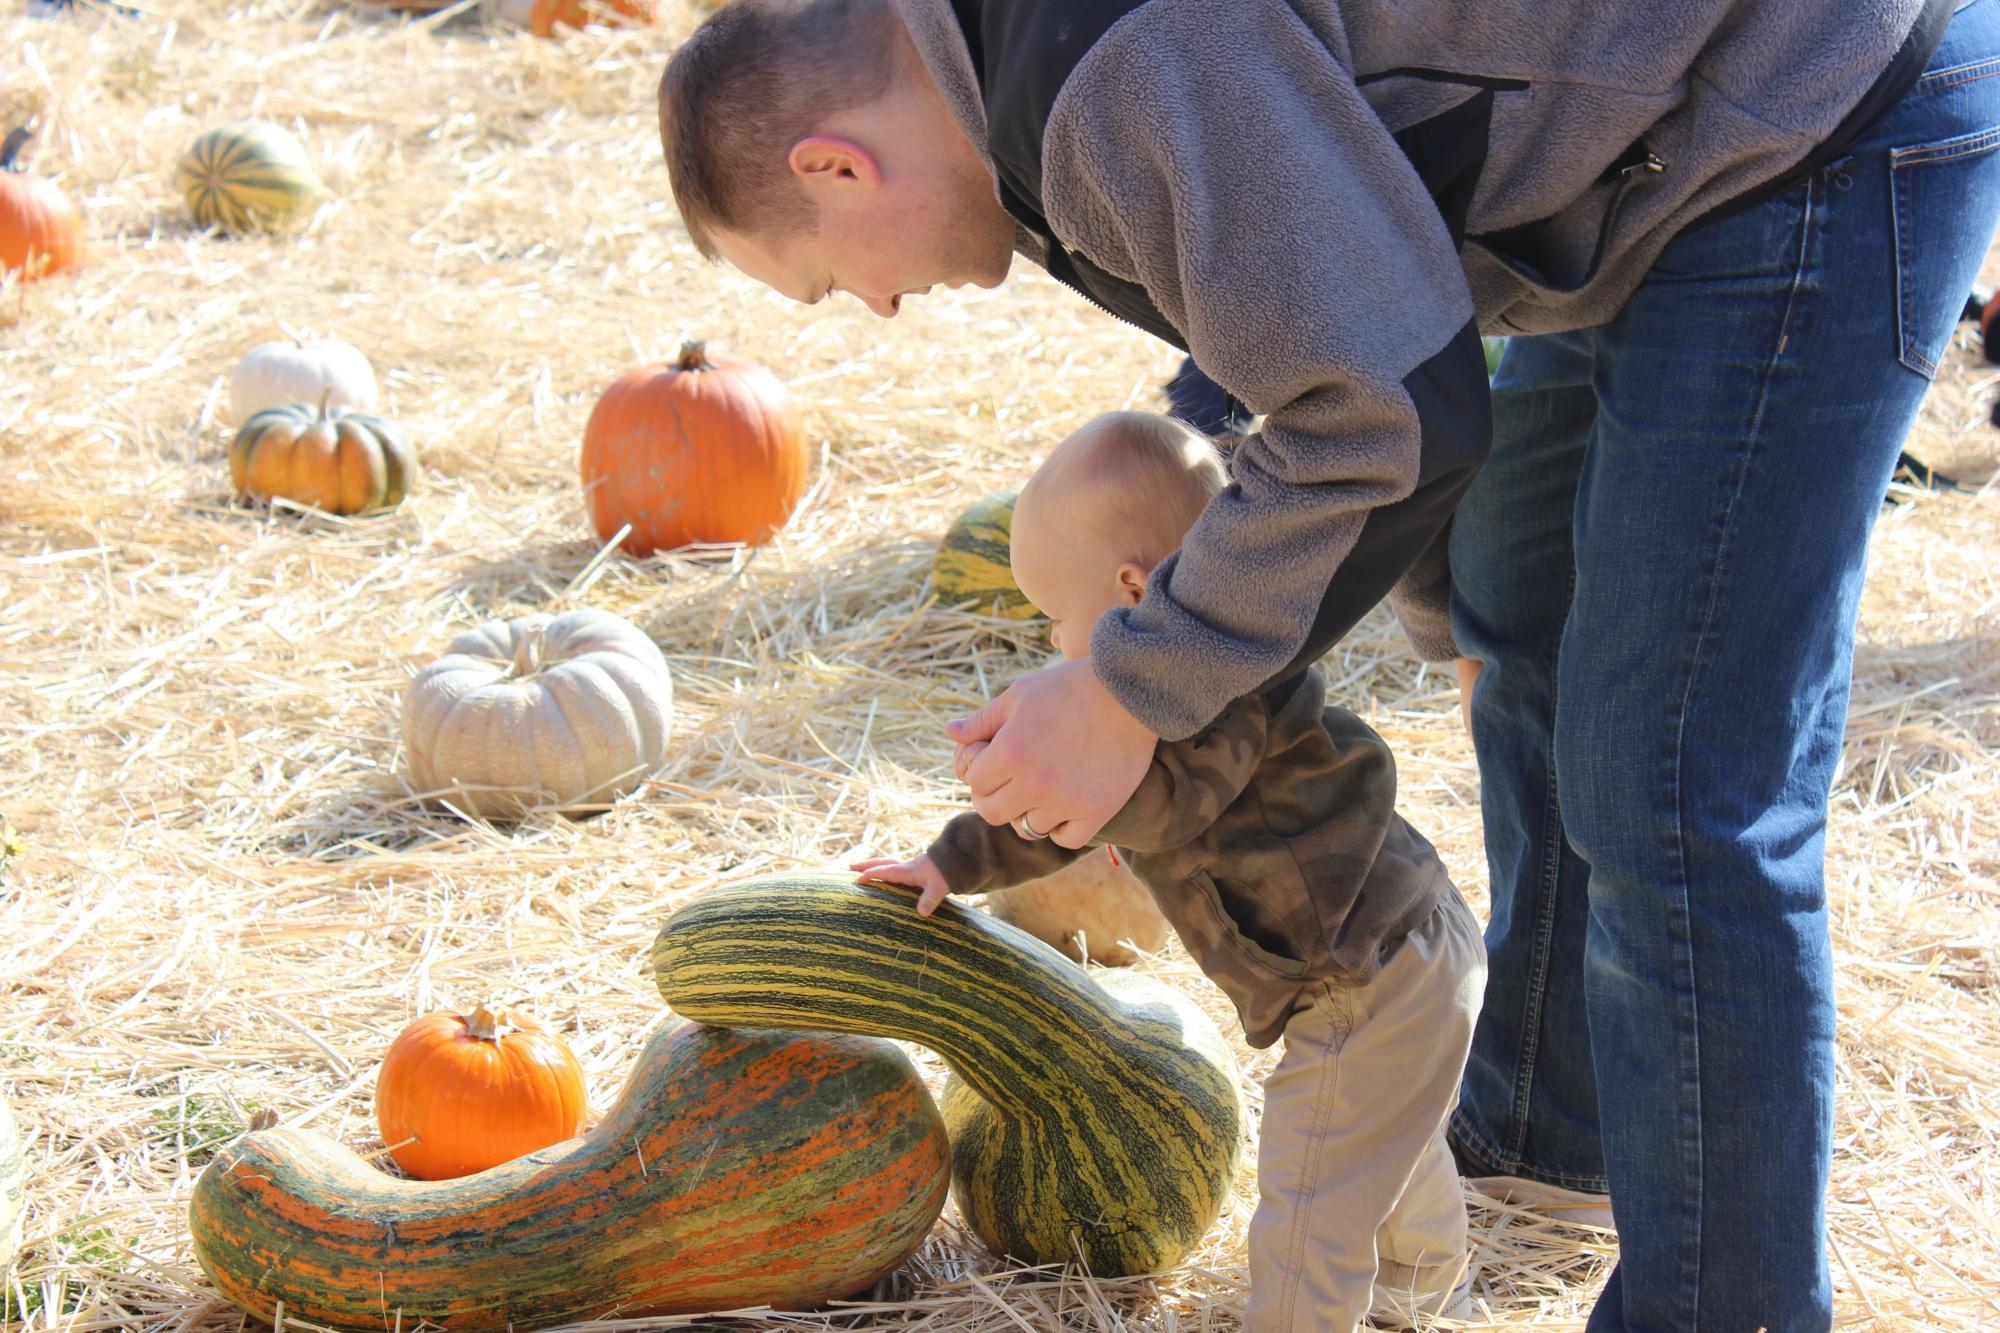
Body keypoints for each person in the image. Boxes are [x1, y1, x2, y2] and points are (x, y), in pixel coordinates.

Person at [656, 1, 2000, 1328]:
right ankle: (1548, 1133)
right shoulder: (1034, 82)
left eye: (833, 277)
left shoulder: (1111, 69)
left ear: (835, 165)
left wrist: (1132, 687)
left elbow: (1389, 408)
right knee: (1519, 617)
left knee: (1671, 777)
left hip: (1810, 108)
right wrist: (1446, 611)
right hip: (1639, 154)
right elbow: (1353, 330)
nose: (880, 305)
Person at [853, 411, 1486, 1330]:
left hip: (1368, 976)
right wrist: (950, 859)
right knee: (1387, 1143)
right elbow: (1072, 822)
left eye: (1055, 618)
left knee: (1310, 1191)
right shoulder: (1210, 669)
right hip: (1417, 948)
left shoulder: (1215, 696)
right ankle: (1425, 1293)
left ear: (1130, 590)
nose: (1052, 643)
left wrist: (1045, 769)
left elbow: (1156, 798)